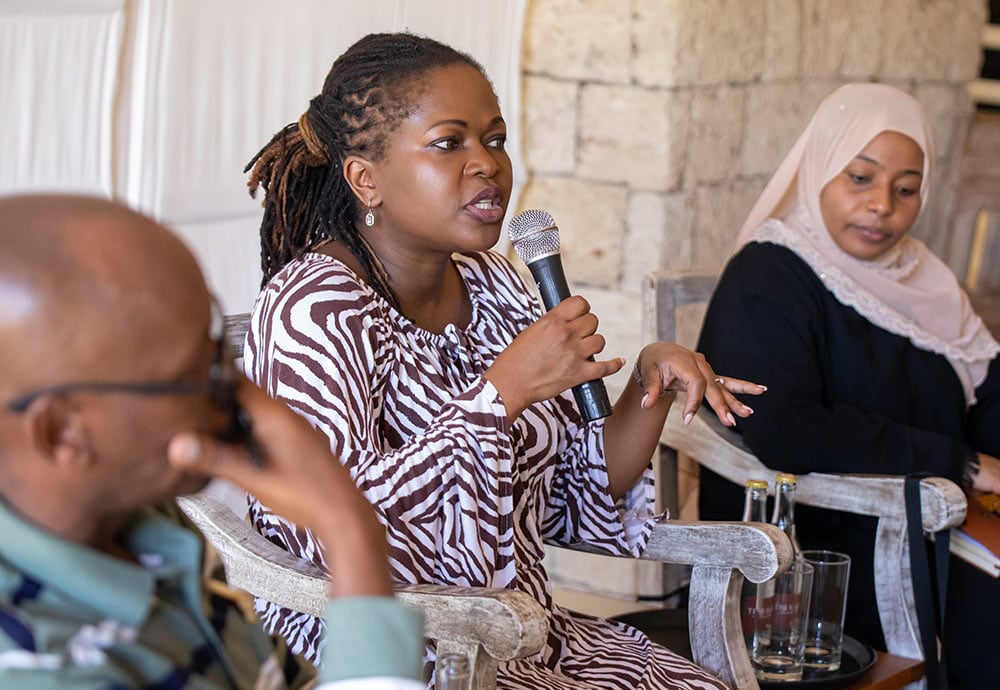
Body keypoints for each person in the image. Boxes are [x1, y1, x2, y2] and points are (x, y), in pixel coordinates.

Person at [242, 32, 764, 690]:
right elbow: (338, 529)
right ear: (365, 178)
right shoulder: (314, 311)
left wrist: (646, 385)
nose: (487, 164)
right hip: (384, 648)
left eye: (495, 139)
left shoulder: (493, 284)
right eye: (449, 142)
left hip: (522, 637)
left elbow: (575, 500)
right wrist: (500, 393)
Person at [0, 194, 424, 689]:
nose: (237, 394)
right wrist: (350, 528)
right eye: (192, 377)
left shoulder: (148, 526)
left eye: (218, 344)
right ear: (63, 433)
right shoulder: (45, 669)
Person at [695, 83, 1000, 689]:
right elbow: (784, 428)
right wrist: (959, 463)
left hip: (936, 516)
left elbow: (980, 393)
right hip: (823, 553)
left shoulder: (922, 279)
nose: (882, 204)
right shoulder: (769, 274)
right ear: (820, 169)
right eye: (859, 178)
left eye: (906, 188)